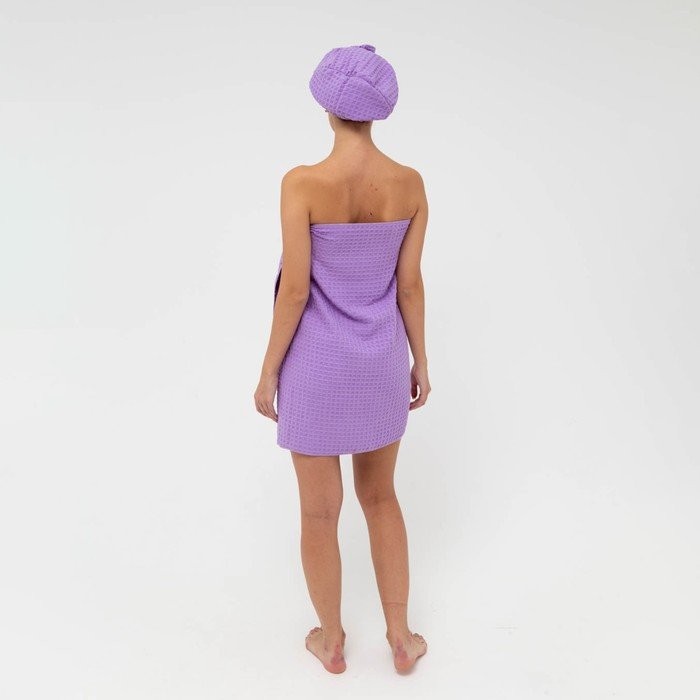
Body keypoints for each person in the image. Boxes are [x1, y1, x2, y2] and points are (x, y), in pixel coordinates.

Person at [254, 43, 430, 674]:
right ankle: (401, 636)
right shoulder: (409, 184)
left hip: (316, 368)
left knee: (319, 511)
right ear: (378, 110)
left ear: (328, 106)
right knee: (381, 498)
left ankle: (330, 638)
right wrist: (420, 361)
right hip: (380, 363)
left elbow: (296, 291)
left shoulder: (303, 183)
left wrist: (268, 370)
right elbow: (409, 285)